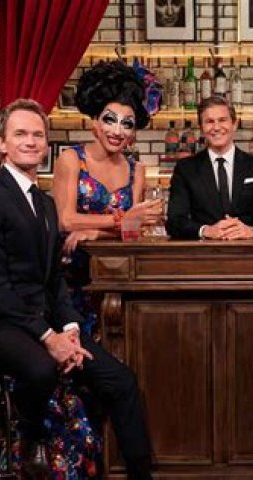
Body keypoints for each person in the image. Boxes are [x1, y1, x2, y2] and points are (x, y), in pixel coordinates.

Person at [0, 99, 153, 480]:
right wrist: (49, 337)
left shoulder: (45, 205)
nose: (30, 141)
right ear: (2, 143)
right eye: (20, 134)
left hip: (42, 321)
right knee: (42, 368)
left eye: (37, 135)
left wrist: (71, 329)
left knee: (121, 381)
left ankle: (141, 475)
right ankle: (31, 440)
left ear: (46, 144)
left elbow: (53, 279)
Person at [52, 60, 161, 334]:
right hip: (71, 278)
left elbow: (134, 234)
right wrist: (123, 219)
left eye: (127, 124)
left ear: (133, 132)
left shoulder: (137, 170)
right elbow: (65, 221)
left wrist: (95, 233)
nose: (117, 131)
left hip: (117, 276)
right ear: (96, 122)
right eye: (110, 120)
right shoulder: (71, 159)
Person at [166, 96, 253, 240]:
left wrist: (251, 231)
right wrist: (206, 231)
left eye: (222, 120)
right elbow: (174, 223)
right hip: (204, 252)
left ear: (234, 124)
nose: (216, 127)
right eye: (209, 121)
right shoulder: (185, 169)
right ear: (201, 128)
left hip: (248, 252)